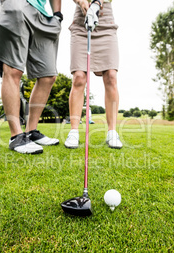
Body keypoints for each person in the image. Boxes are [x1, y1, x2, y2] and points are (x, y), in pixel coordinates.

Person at [0, 0, 63, 154]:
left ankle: (31, 131)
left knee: (48, 76)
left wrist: (57, 15)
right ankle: (16, 136)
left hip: (44, 15)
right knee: (13, 69)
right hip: (16, 4)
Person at [65, 0, 122, 149]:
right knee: (79, 77)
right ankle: (74, 131)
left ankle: (112, 132)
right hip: (81, 21)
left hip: (106, 22)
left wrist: (97, 3)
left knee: (111, 76)